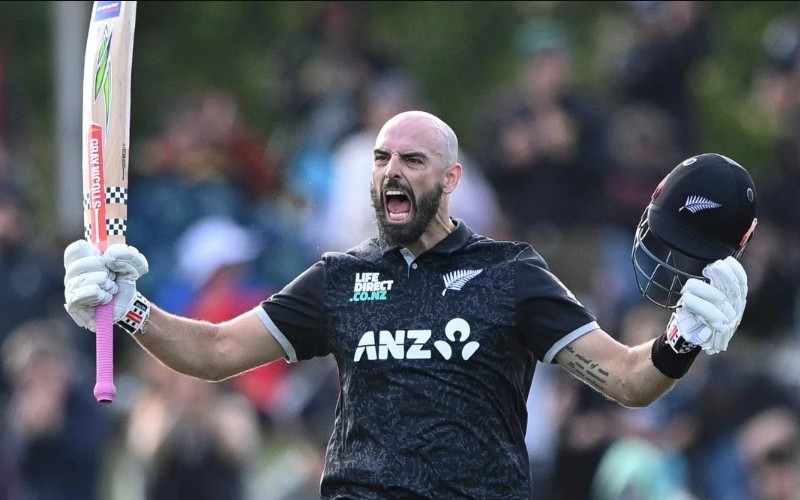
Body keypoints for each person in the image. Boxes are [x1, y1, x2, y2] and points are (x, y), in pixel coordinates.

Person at [63, 111, 754, 499]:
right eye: (382, 158)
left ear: (451, 179)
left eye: (413, 160)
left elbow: (629, 379)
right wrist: (128, 307)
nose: (392, 170)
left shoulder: (512, 274)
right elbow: (214, 352)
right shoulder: (339, 278)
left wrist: (684, 337)